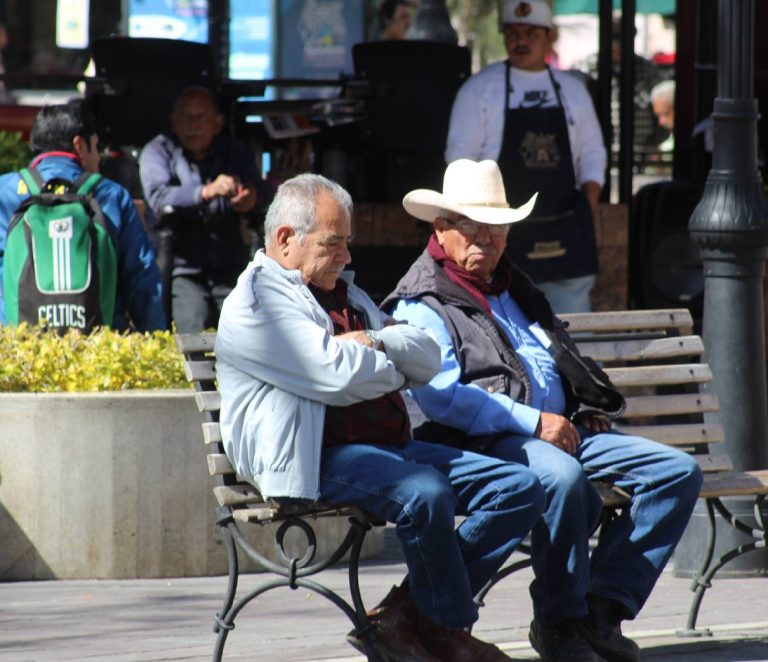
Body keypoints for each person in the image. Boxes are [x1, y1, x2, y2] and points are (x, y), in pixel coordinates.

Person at [215, 172, 546, 662]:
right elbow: (332, 375)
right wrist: (390, 366)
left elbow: (426, 355)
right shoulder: (256, 301)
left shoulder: (346, 294)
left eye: (347, 243)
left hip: (388, 447)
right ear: (286, 240)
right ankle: (447, 629)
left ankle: (405, 616)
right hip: (314, 456)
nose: (348, 256)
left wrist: (372, 342)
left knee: (520, 488)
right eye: (335, 243)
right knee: (425, 494)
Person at [382, 159, 703, 662]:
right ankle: (558, 622)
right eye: (470, 226)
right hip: (479, 440)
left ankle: (600, 609)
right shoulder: (421, 300)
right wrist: (536, 421)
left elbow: (553, 357)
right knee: (562, 476)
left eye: (497, 228)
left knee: (677, 471)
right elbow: (441, 396)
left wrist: (580, 404)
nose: (485, 239)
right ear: (440, 228)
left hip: (558, 429)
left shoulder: (514, 286)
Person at [445, 0, 606, 314]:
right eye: (513, 32)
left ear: (550, 36)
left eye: (531, 33)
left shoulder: (573, 91)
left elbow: (592, 155)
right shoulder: (479, 90)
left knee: (573, 335)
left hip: (565, 231)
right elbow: (459, 160)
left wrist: (586, 209)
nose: (521, 40)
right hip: (502, 234)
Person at [0, 99, 166, 332]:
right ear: (79, 144)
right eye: (96, 147)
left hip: (21, 349)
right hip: (96, 350)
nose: (98, 157)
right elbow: (141, 277)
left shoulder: (4, 192)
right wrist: (157, 340)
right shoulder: (110, 195)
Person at [139, 86, 273, 332]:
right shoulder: (158, 151)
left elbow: (264, 194)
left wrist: (250, 199)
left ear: (218, 122)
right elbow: (158, 196)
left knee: (247, 329)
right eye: (186, 118)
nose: (193, 125)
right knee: (194, 328)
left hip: (230, 264)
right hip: (182, 268)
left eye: (200, 117)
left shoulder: (236, 152)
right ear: (174, 122)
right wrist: (205, 192)